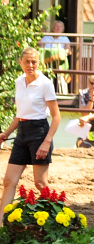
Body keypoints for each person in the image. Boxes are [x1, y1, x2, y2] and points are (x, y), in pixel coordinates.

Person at [0, 47, 60, 225]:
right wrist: (5, 133)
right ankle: (1, 224)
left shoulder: (45, 84)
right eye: (27, 61)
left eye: (34, 61)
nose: (30, 65)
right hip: (22, 132)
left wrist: (46, 142)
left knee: (40, 183)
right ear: (20, 62)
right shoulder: (19, 82)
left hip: (39, 132)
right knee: (9, 180)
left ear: (39, 63)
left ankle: (60, 217)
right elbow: (20, 114)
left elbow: (56, 116)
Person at [40, 20, 71, 94]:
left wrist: (63, 53)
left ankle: (59, 91)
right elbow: (40, 49)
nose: (58, 28)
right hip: (46, 63)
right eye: (57, 26)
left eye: (60, 27)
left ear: (62, 29)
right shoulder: (46, 38)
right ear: (53, 29)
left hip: (59, 63)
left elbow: (68, 50)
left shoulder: (65, 38)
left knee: (59, 71)